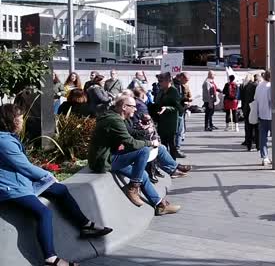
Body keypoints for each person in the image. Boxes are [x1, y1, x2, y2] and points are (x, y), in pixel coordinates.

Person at [0, 104, 113, 266]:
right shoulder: (4, 141)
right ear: (8, 120)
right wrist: (48, 176)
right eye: (18, 118)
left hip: (20, 180)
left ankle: (85, 225)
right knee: (43, 213)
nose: (21, 121)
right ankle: (51, 259)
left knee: (60, 190)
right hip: (10, 187)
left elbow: (22, 167)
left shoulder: (7, 137)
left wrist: (48, 179)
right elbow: (23, 166)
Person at [89, 95, 181, 215]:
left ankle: (159, 204)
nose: (136, 109)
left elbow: (126, 141)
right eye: (133, 106)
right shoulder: (114, 120)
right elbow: (130, 143)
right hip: (103, 161)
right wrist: (150, 143)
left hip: (110, 156)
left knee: (143, 174)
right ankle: (132, 187)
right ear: (124, 107)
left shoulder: (115, 117)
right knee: (144, 151)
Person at [155, 72, 185, 159]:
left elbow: (178, 107)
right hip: (162, 121)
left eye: (161, 81)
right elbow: (157, 103)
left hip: (171, 122)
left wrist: (167, 108)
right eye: (158, 81)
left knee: (172, 145)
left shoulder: (173, 91)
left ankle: (172, 164)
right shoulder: (161, 91)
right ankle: (164, 163)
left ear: (168, 81)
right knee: (162, 145)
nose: (159, 83)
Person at [240, 74, 259, 151]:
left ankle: (248, 145)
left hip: (246, 108)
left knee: (248, 128)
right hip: (253, 108)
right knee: (256, 127)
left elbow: (242, 98)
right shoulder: (255, 86)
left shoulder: (244, 86)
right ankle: (258, 145)